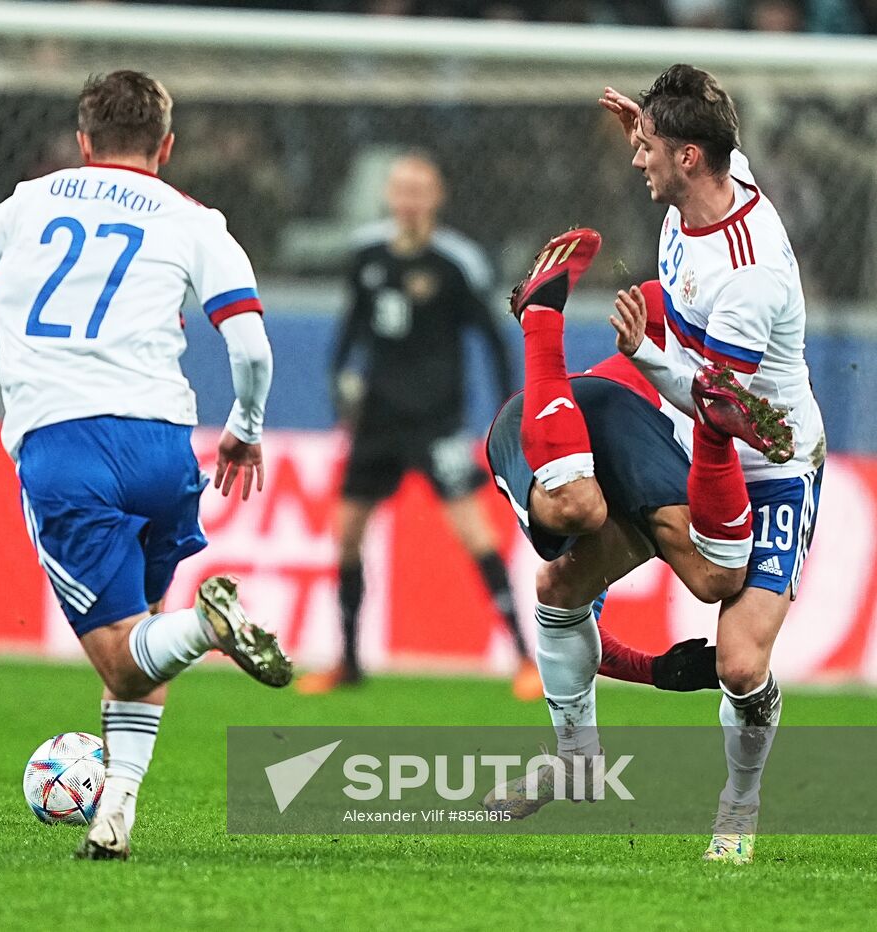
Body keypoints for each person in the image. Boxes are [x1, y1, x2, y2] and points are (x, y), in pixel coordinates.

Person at [0, 71, 291, 861]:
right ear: (167, 145)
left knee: (126, 653)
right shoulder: (196, 220)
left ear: (82, 141)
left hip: (66, 445)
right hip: (163, 444)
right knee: (142, 648)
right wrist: (245, 429)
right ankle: (114, 816)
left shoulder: (29, 202)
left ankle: (210, 623)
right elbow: (250, 344)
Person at [482, 224, 794, 823]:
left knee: (712, 578)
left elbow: (576, 630)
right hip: (553, 415)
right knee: (578, 509)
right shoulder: (672, 304)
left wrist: (654, 671)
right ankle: (540, 322)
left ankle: (576, 765)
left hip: (632, 436)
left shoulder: (732, 404)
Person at [599, 65, 824, 864]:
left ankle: (741, 799)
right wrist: (646, 119)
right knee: (575, 552)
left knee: (738, 663)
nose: (638, 161)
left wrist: (644, 352)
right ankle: (601, 671)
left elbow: (719, 407)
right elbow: (713, 116)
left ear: (690, 159)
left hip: (771, 462)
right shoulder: (710, 176)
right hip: (692, 446)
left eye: (650, 149)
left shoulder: (749, 277)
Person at [297, 153, 541, 699]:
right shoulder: (366, 255)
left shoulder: (457, 263)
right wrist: (341, 382)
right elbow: (351, 327)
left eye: (419, 190)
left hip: (435, 422)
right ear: (390, 196)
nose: (408, 200)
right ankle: (349, 661)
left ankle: (526, 658)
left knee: (473, 532)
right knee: (348, 534)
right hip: (377, 419)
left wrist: (507, 409)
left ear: (437, 197)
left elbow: (493, 338)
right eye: (400, 189)